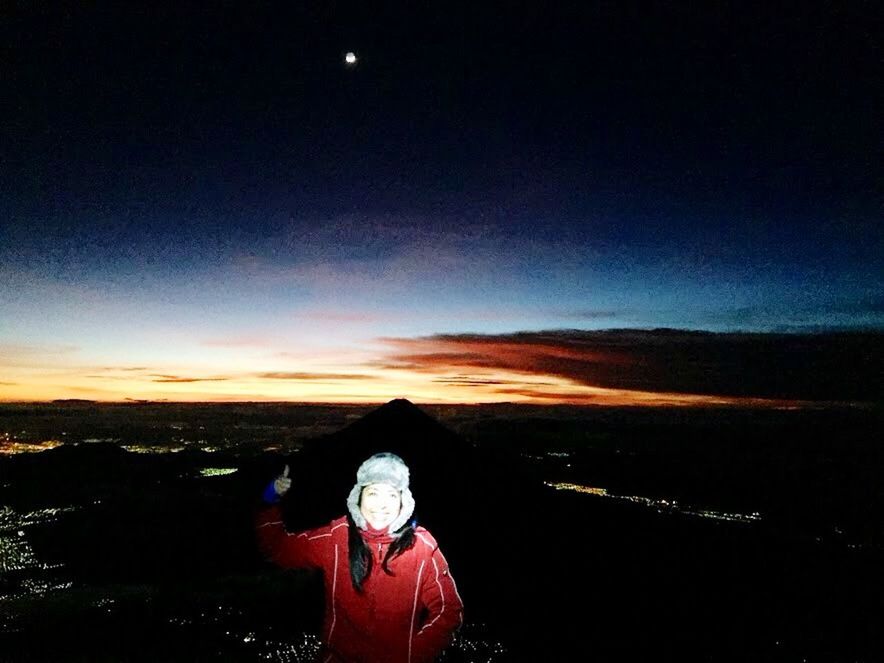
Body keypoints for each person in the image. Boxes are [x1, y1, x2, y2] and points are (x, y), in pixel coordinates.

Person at [256, 452, 464, 663]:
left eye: (392, 495)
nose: (382, 505)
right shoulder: (337, 537)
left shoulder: (421, 547)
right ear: (359, 497)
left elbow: (448, 610)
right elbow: (278, 549)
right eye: (373, 493)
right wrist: (270, 499)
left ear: (403, 502)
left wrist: (412, 656)